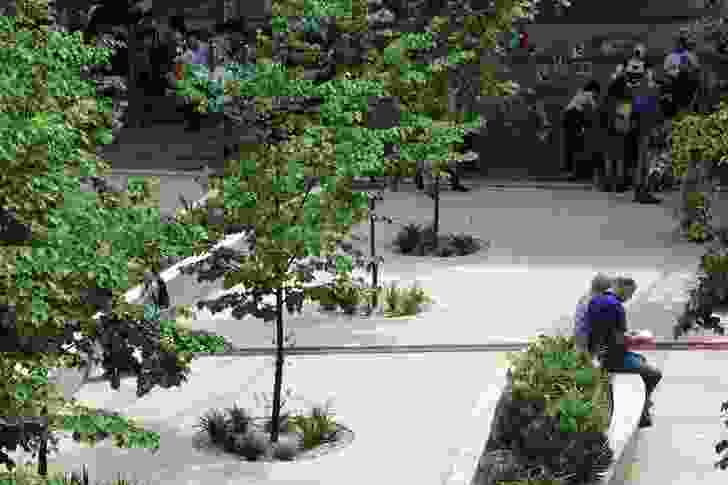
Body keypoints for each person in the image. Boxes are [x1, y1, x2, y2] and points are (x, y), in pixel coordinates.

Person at [586, 276, 663, 428]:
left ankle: (643, 404)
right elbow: (619, 341)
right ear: (623, 287)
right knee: (654, 374)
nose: (630, 298)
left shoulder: (595, 301)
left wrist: (629, 335)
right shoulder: (616, 306)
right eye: (630, 293)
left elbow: (607, 332)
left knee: (640, 359)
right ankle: (642, 409)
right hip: (613, 358)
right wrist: (639, 338)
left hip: (596, 354)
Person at [561, 80, 600, 181]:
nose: (596, 95)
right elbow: (594, 107)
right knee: (573, 145)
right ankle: (570, 172)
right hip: (573, 116)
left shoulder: (581, 92)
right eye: (597, 92)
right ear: (594, 89)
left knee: (570, 145)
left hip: (570, 116)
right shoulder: (588, 94)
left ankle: (569, 172)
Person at [663, 28, 701, 115]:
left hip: (688, 81)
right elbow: (666, 70)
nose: (678, 46)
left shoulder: (690, 55)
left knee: (687, 79)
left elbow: (696, 68)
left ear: (683, 44)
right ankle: (678, 108)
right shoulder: (670, 56)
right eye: (677, 44)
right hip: (675, 80)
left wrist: (689, 69)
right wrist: (674, 72)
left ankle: (688, 107)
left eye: (680, 44)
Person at [574, 273, 613, 353]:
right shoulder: (595, 301)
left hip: (581, 342)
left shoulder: (585, 298)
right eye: (607, 288)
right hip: (588, 343)